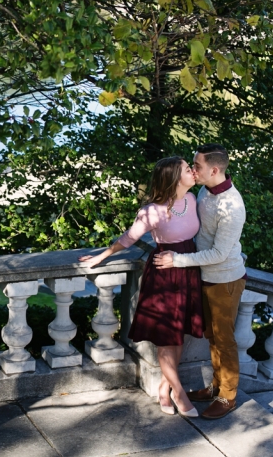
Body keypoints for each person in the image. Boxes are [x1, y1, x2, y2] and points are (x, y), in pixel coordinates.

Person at [79, 156, 202, 418]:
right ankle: (179, 393)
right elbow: (129, 238)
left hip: (188, 270)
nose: (192, 171)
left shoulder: (192, 199)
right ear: (174, 177)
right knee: (166, 338)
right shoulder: (152, 211)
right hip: (164, 276)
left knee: (178, 334)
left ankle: (164, 388)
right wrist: (102, 256)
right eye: (186, 169)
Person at [154, 144, 246, 420]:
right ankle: (216, 387)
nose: (193, 170)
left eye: (197, 166)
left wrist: (176, 260)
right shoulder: (204, 191)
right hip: (203, 276)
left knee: (224, 340)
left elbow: (219, 254)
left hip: (225, 279)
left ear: (214, 170)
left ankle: (227, 397)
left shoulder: (232, 206)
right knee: (212, 337)